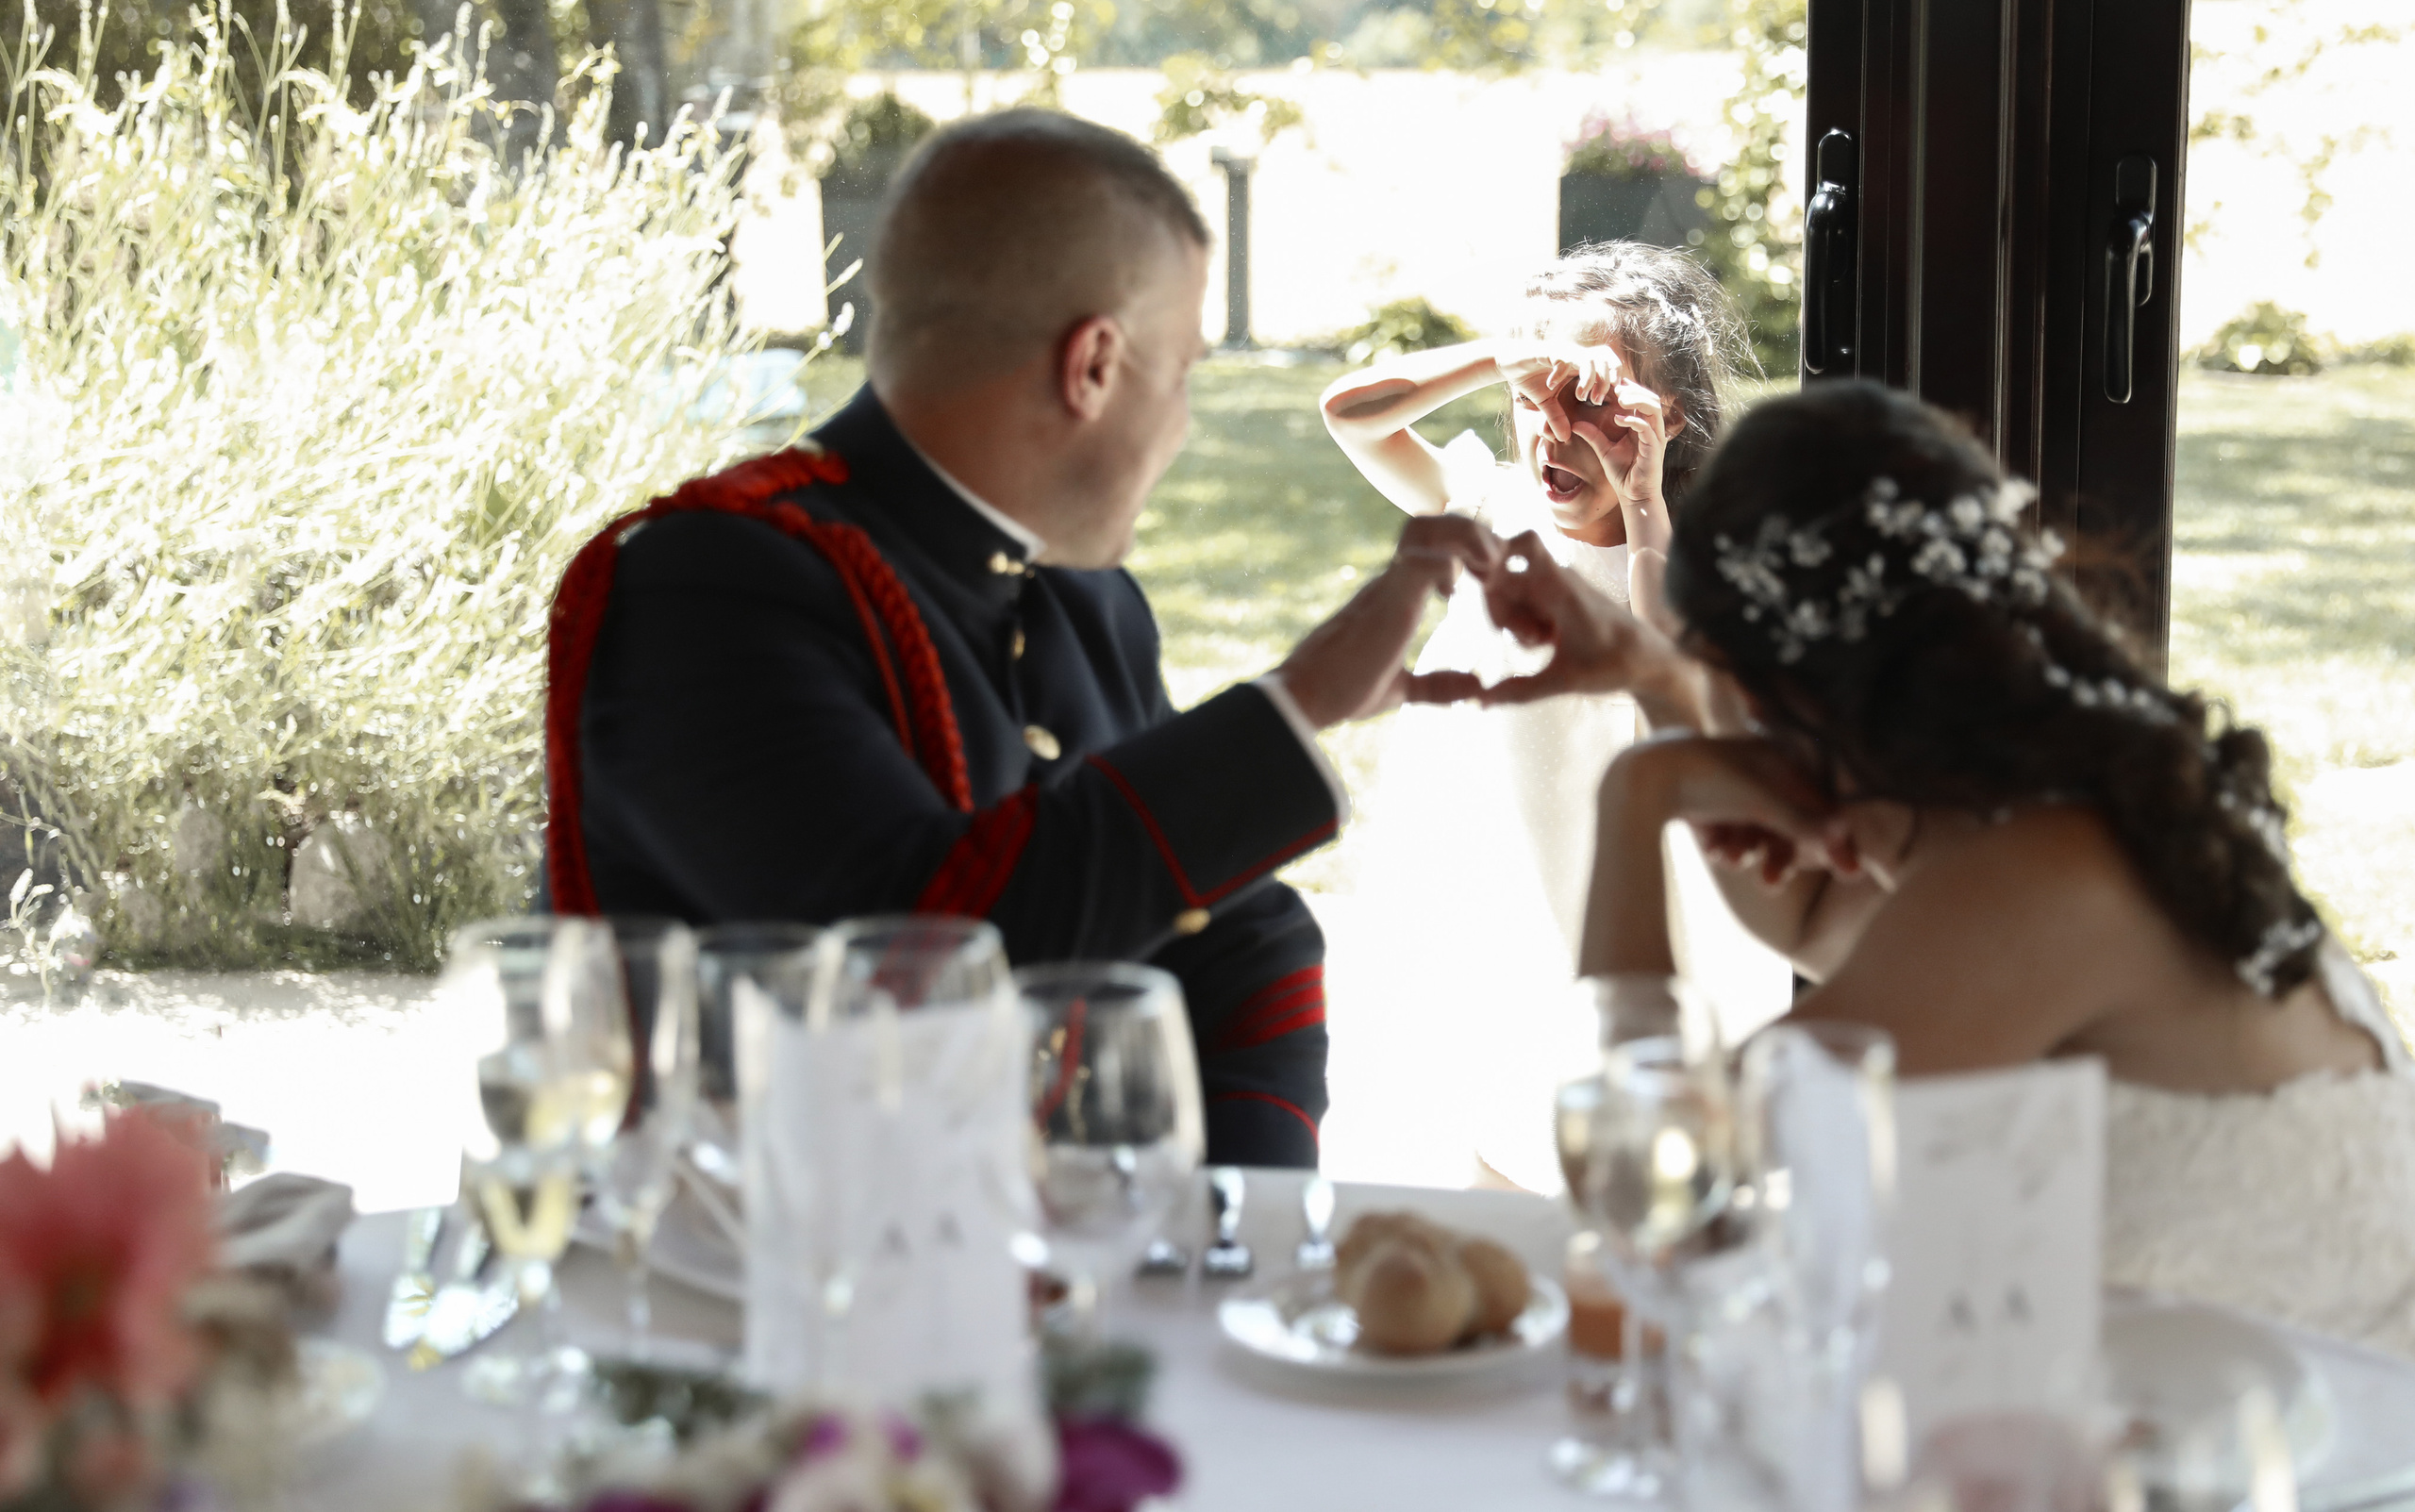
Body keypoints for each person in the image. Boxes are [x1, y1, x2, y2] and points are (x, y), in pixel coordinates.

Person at [543, 109, 1495, 1170]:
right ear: (1092, 365)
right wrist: (1300, 697)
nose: (1184, 423)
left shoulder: (1085, 600)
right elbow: (922, 965)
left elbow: (1239, 936)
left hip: (1040, 1247)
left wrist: (1236, 1225)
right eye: (1181, 372)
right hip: (743, 1256)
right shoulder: (710, 583)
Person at [1445, 381, 2415, 1353]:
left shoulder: (2044, 881)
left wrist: (1638, 794)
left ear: (1783, 691)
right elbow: (1811, 915)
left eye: (1711, 670)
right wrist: (1658, 684)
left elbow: (1652, 1178)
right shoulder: (2066, 789)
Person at [1310, 246, 1790, 1190]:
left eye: (1591, 405)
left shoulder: (1691, 555)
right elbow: (1350, 414)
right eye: (1536, 400)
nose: (1555, 433)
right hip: (1483, 859)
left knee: (1612, 1095)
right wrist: (1504, 355)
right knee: (1478, 1075)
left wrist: (1644, 498)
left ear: (1665, 419)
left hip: (1615, 871)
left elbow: (1664, 655)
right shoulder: (1490, 506)